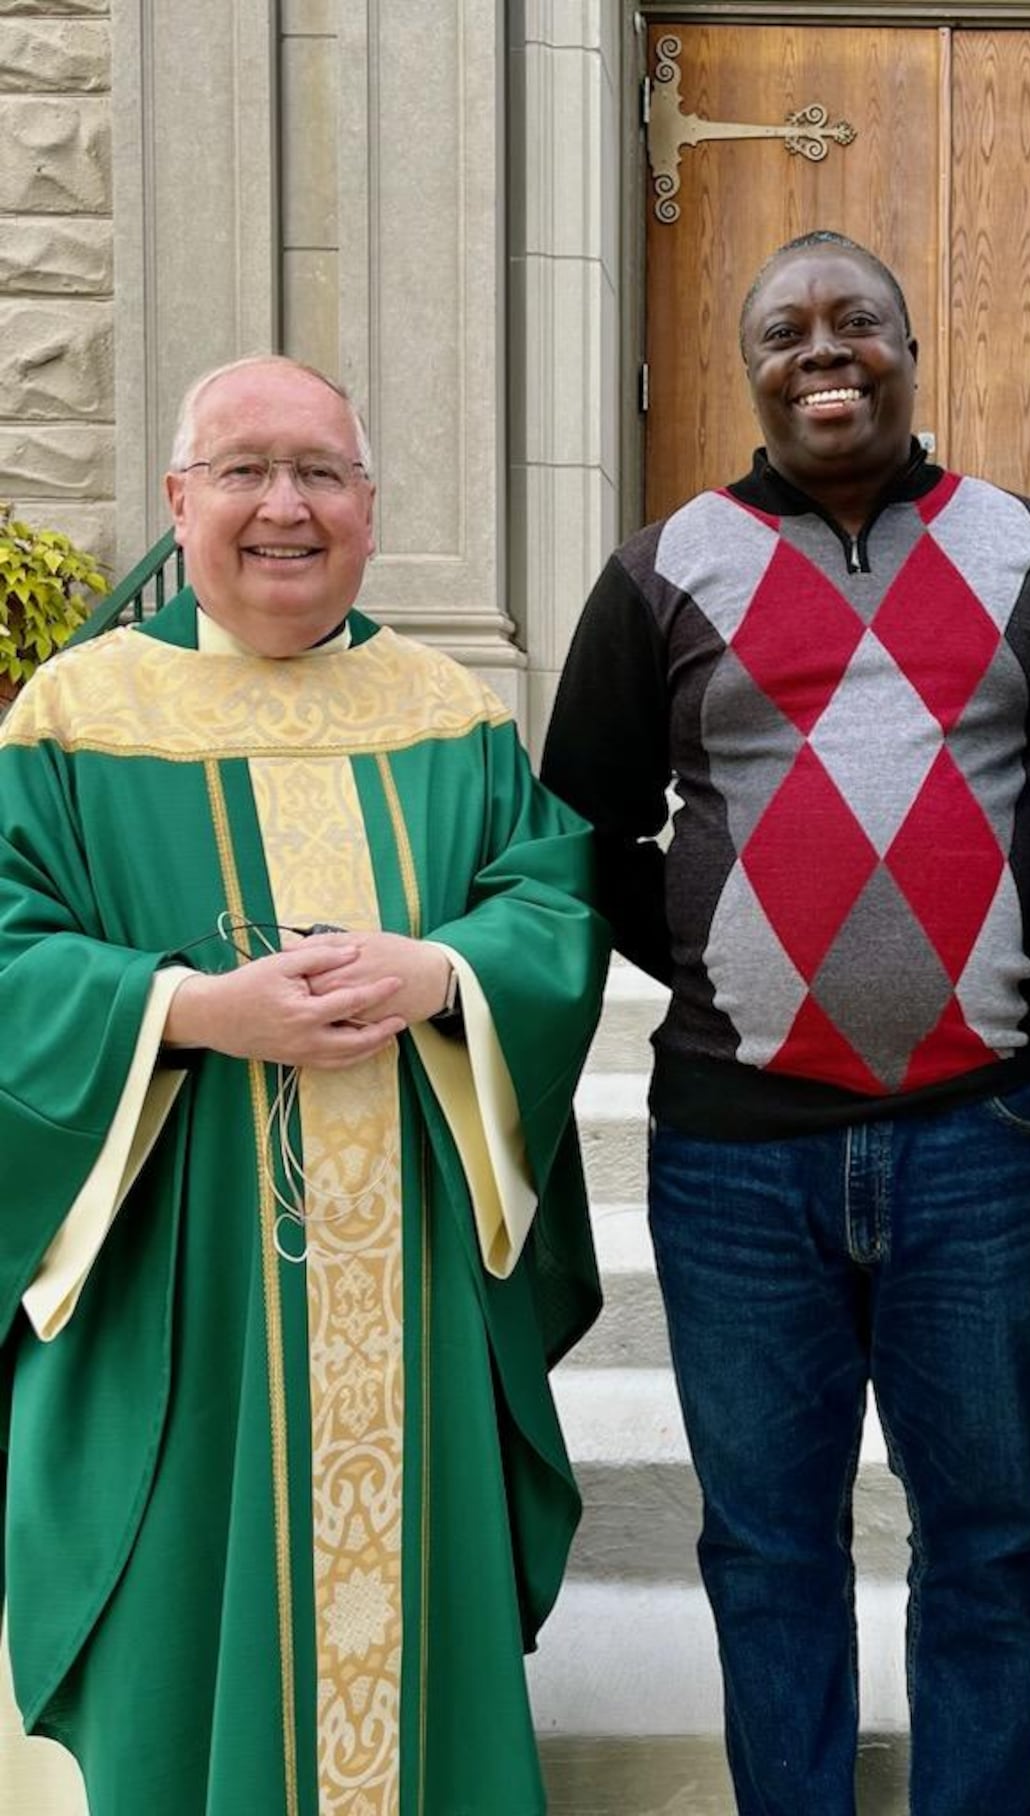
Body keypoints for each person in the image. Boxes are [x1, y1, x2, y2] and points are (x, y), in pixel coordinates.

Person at [541, 230, 1030, 1814]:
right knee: (768, 1540)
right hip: (738, 1157)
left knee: (991, 1535)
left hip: (986, 1142)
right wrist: (729, 965)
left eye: (857, 321)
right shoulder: (661, 567)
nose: (826, 349)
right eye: (788, 327)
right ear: (747, 368)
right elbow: (579, 830)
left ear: (910, 349)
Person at [0, 355, 608, 1814]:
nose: (286, 506)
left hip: (407, 1290)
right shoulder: (73, 719)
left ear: (372, 507)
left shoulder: (445, 710)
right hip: (180, 1290)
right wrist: (188, 1009)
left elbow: (550, 904)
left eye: (321, 472)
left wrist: (445, 976)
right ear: (177, 500)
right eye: (246, 470)